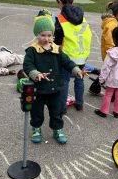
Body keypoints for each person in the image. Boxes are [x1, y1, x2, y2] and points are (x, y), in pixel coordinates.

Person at [23, 15, 85, 144]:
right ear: (37, 35)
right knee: (37, 112)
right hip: (39, 89)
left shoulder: (57, 49)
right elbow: (27, 65)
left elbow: (67, 62)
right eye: (43, 35)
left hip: (55, 89)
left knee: (57, 111)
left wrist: (76, 70)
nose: (46, 39)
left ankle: (57, 129)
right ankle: (36, 128)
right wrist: (36, 73)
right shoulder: (32, 50)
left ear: (53, 35)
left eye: (49, 35)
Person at [53, 0, 92, 112]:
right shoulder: (83, 18)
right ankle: (79, 103)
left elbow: (58, 40)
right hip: (82, 55)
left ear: (59, 1)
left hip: (67, 57)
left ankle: (62, 107)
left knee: (64, 81)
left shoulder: (60, 19)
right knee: (79, 79)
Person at [89, 0, 118, 95]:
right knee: (109, 72)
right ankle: (111, 93)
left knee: (107, 71)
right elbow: (110, 42)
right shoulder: (112, 25)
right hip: (110, 53)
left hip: (112, 52)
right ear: (117, 11)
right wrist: (117, 53)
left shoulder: (116, 22)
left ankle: (94, 89)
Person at [94, 23, 118, 118]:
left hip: (112, 79)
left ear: (114, 38)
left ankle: (104, 111)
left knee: (108, 94)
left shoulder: (111, 53)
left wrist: (101, 79)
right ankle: (117, 112)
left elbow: (105, 68)